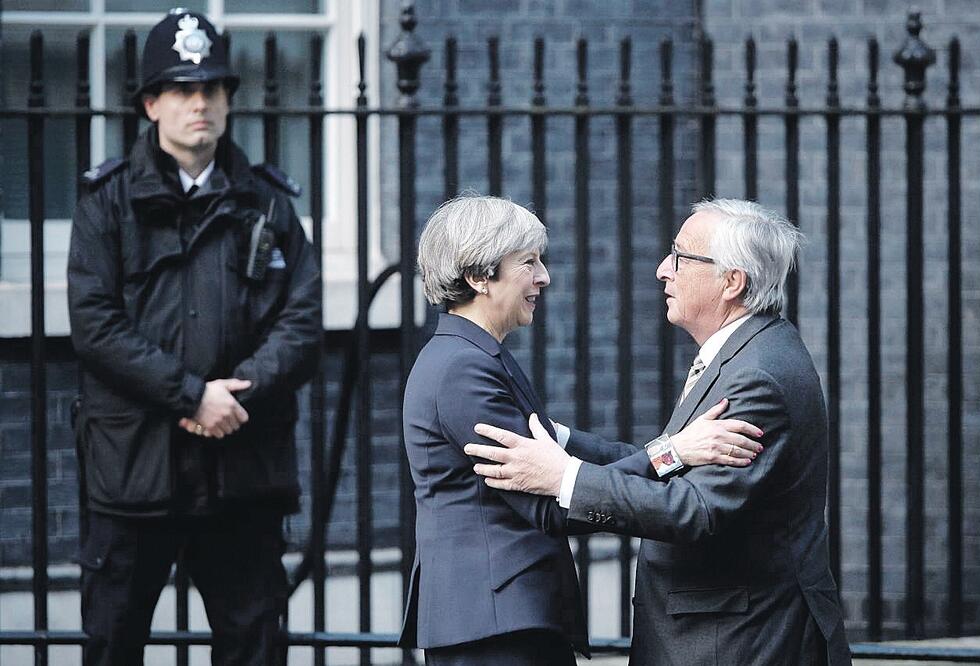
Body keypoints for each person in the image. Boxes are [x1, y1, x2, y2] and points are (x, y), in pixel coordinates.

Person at [466, 198, 852, 665]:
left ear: (732, 282)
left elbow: (694, 509)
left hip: (737, 642)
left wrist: (564, 478)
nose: (661, 270)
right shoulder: (751, 350)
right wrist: (562, 441)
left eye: (680, 256)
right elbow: (680, 470)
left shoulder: (758, 376)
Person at [398, 195, 762, 665]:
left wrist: (667, 451)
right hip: (494, 627)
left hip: (497, 619)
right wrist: (672, 454)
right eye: (527, 262)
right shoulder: (463, 371)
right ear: (478, 276)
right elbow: (550, 503)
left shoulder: (470, 357)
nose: (543, 276)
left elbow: (555, 449)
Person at [67, 9, 321, 664]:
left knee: (255, 648)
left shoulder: (268, 203)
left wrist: (237, 395)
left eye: (211, 89)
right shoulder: (107, 202)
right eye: (181, 90)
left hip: (242, 470)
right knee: (112, 644)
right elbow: (95, 324)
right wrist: (189, 396)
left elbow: (303, 317)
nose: (199, 104)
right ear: (152, 103)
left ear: (229, 101)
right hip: (134, 473)